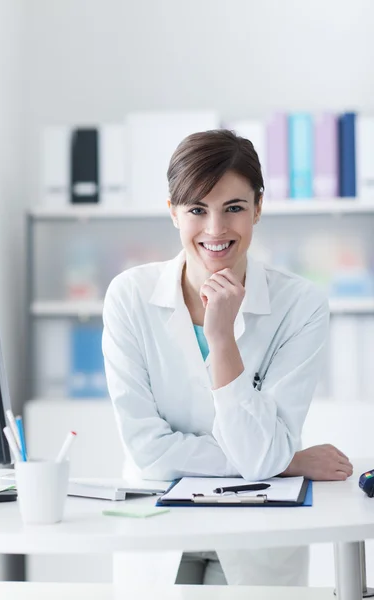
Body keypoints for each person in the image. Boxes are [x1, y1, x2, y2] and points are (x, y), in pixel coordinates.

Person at [102, 129, 353, 586]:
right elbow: (149, 452)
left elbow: (261, 456)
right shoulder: (129, 297)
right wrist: (285, 459)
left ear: (258, 207)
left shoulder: (300, 305)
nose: (215, 230)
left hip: (254, 538)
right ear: (173, 214)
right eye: (197, 209)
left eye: (234, 208)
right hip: (157, 530)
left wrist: (222, 340)